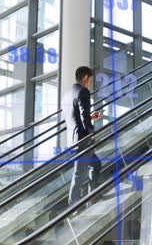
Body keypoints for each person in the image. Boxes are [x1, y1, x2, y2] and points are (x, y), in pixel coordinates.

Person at [63, 66, 103, 206]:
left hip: (73, 139)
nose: (89, 83)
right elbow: (83, 116)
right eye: (90, 80)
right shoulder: (83, 92)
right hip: (83, 140)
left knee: (96, 165)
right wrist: (90, 134)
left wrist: (90, 117)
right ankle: (72, 206)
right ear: (85, 77)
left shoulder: (67, 95)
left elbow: (76, 116)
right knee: (79, 174)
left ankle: (91, 198)